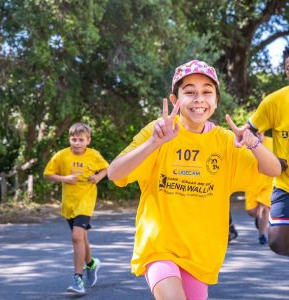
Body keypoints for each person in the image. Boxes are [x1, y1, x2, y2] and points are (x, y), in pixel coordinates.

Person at [107, 59, 281, 299]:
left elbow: (273, 169)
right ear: (174, 100)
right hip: (160, 249)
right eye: (189, 92)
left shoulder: (226, 142)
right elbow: (115, 173)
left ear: (216, 100)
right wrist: (153, 143)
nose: (199, 98)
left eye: (207, 92)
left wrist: (252, 141)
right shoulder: (157, 132)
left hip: (201, 256)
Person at [44, 122, 108, 294]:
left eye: (81, 139)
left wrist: (98, 177)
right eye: (74, 139)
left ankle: (77, 279)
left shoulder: (93, 155)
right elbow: (48, 174)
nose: (77, 143)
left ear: (88, 140)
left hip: (86, 202)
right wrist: (65, 179)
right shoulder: (61, 155)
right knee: (82, 237)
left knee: (76, 236)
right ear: (69, 139)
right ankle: (91, 264)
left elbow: (106, 168)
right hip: (69, 203)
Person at [248, 46, 289, 256]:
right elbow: (250, 131)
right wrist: (271, 159)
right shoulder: (274, 101)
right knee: (277, 243)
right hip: (284, 184)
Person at [244, 133, 273, 245]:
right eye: (255, 133)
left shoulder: (272, 143)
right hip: (251, 183)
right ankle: (262, 219)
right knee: (251, 211)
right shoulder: (246, 144)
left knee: (264, 208)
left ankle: (262, 235)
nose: (258, 135)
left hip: (269, 183)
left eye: (259, 132)